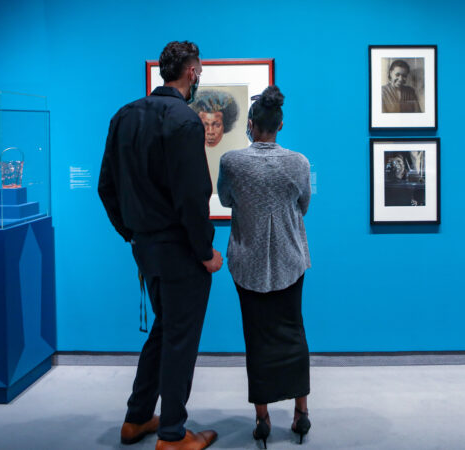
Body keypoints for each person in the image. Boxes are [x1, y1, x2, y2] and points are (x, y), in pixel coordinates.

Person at [98, 40, 222, 450]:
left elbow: (106, 188)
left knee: (164, 330)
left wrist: (132, 233)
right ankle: (171, 434)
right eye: (199, 70)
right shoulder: (184, 121)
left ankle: (136, 419)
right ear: (191, 72)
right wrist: (205, 253)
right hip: (180, 251)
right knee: (180, 338)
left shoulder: (123, 116)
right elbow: (192, 198)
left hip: (145, 248)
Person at [217, 86, 312, 448]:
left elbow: (226, 198)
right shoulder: (299, 163)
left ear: (252, 125)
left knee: (256, 339)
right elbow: (303, 205)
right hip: (290, 260)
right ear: (280, 125)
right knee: (293, 332)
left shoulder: (232, 162)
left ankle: (262, 419)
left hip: (248, 262)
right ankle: (301, 413)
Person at [190, 90, 240, 193]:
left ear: (225, 124)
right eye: (204, 125)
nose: (210, 132)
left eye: (216, 125)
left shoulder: (234, 154)